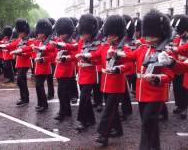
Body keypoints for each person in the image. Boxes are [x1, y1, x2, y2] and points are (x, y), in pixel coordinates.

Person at [117, 10, 174, 150]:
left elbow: (170, 75)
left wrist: (156, 78)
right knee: (150, 124)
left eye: (151, 34)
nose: (147, 37)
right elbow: (129, 56)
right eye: (147, 34)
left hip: (156, 94)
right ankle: (155, 147)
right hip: (142, 93)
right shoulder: (142, 49)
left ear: (159, 35)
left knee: (147, 122)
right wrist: (117, 53)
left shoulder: (166, 52)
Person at [81, 15, 131, 146]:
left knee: (108, 110)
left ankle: (103, 135)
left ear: (118, 35)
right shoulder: (104, 47)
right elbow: (96, 56)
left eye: (112, 35)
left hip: (117, 86)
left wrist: (119, 69)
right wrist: (85, 56)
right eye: (108, 35)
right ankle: (118, 130)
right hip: (105, 84)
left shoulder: (123, 49)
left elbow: (130, 65)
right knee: (112, 110)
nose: (108, 37)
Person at [21, 19, 54, 112]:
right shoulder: (37, 42)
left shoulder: (49, 43)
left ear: (44, 33)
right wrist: (21, 50)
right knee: (38, 86)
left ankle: (44, 105)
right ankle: (40, 103)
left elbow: (51, 55)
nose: (38, 34)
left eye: (40, 32)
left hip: (44, 67)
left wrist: (42, 57)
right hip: (38, 68)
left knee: (39, 85)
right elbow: (30, 48)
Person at [74, 14, 99, 131]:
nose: (83, 36)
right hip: (81, 73)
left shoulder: (97, 43)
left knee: (83, 97)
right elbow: (78, 53)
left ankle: (83, 121)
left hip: (90, 74)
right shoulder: (81, 42)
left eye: (86, 33)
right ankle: (92, 119)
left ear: (92, 32)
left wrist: (88, 57)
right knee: (86, 98)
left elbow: (99, 57)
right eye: (82, 33)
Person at [52, 17, 77, 121]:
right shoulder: (57, 40)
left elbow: (74, 54)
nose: (61, 36)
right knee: (64, 92)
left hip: (67, 71)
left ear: (69, 32)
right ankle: (67, 111)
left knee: (62, 92)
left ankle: (62, 112)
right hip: (59, 70)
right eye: (60, 33)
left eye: (64, 34)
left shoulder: (72, 43)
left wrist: (66, 58)